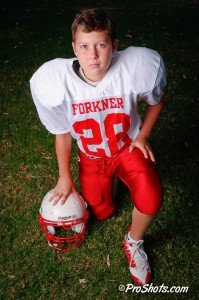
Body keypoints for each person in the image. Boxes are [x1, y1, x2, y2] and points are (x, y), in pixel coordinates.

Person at [30, 8, 166, 285]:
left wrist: (142, 136)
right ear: (73, 48)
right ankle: (111, 183)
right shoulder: (54, 81)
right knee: (102, 211)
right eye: (84, 46)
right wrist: (64, 177)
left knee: (152, 197)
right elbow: (63, 133)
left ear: (114, 46)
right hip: (92, 155)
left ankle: (134, 241)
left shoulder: (136, 66)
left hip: (127, 148)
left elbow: (157, 99)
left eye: (101, 45)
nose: (93, 55)